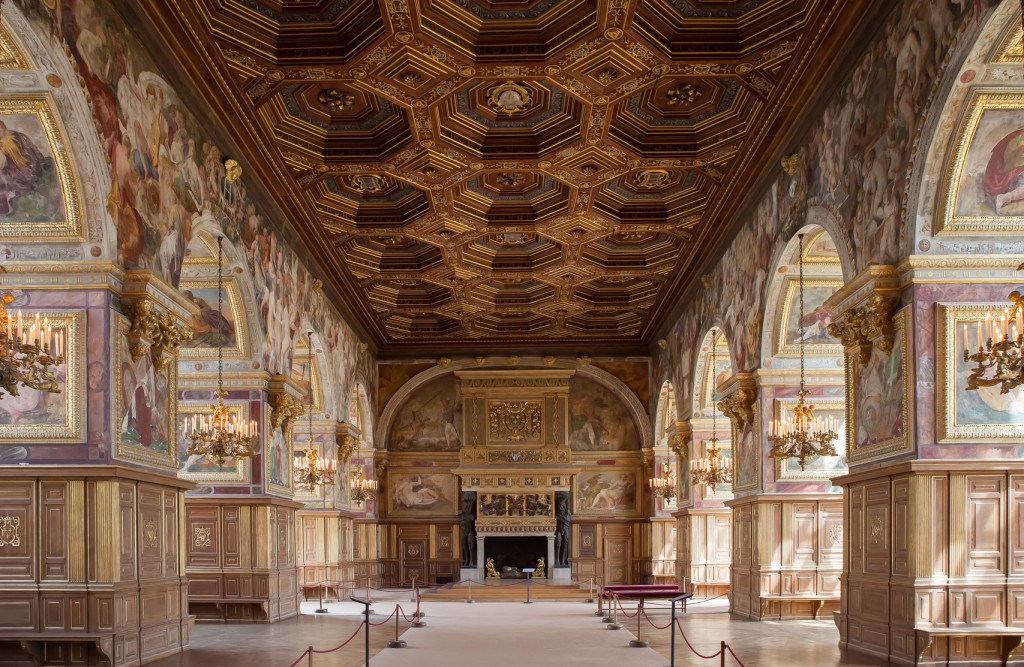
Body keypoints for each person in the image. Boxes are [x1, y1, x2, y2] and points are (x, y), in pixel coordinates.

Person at [459, 492, 476, 567]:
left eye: (469, 505)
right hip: (463, 532)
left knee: (471, 548)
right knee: (465, 548)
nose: (467, 506)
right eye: (466, 504)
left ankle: (471, 561)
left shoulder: (472, 515)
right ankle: (466, 561)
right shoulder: (461, 515)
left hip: (470, 532)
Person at [554, 493, 571, 567]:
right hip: (558, 531)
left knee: (565, 545)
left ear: (565, 507)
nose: (561, 508)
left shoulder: (568, 515)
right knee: (558, 544)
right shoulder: (556, 515)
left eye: (563, 506)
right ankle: (557, 561)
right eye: (560, 506)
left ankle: (563, 561)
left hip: (566, 530)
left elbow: (569, 523)